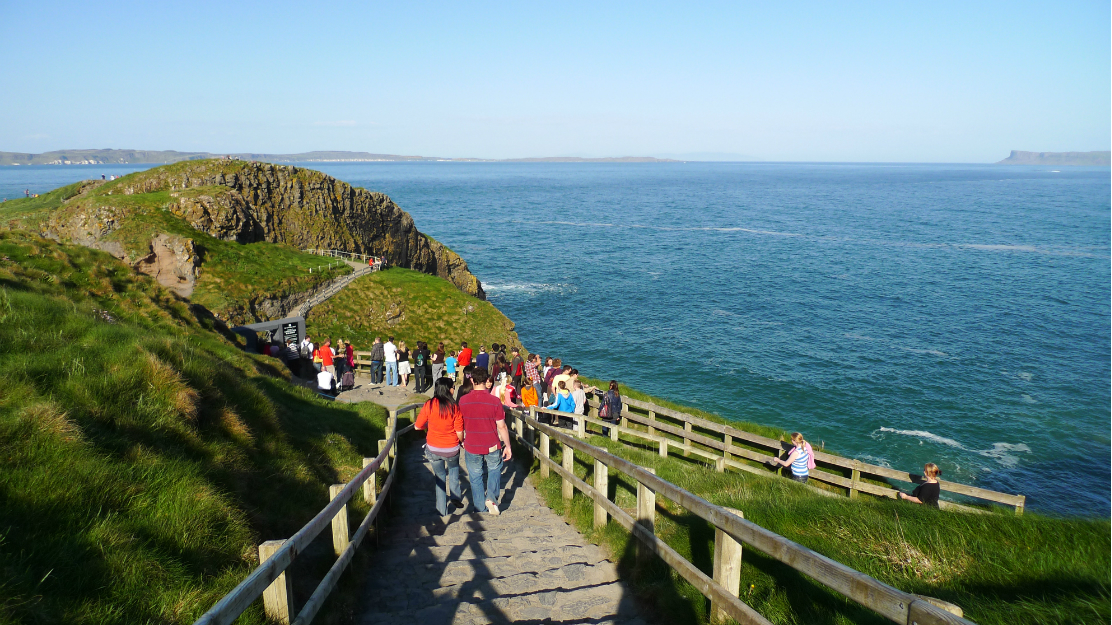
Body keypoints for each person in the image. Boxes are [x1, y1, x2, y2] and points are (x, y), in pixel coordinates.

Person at [459, 368, 512, 514]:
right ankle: (492, 498)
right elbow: (502, 426)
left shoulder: (463, 401)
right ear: (486, 380)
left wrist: (461, 440)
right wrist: (507, 446)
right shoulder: (494, 401)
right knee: (494, 470)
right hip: (492, 443)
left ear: (472, 380)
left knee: (475, 475)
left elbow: (460, 424)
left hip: (471, 443)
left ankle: (479, 507)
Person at [415, 378, 465, 516]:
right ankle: (455, 497)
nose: (454, 389)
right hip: (451, 448)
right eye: (453, 387)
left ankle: (442, 510)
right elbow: (459, 432)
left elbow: (417, 426)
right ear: (448, 389)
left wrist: (429, 426)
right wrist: (461, 441)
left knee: (440, 477)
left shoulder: (429, 405)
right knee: (454, 472)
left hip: (433, 448)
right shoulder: (454, 407)